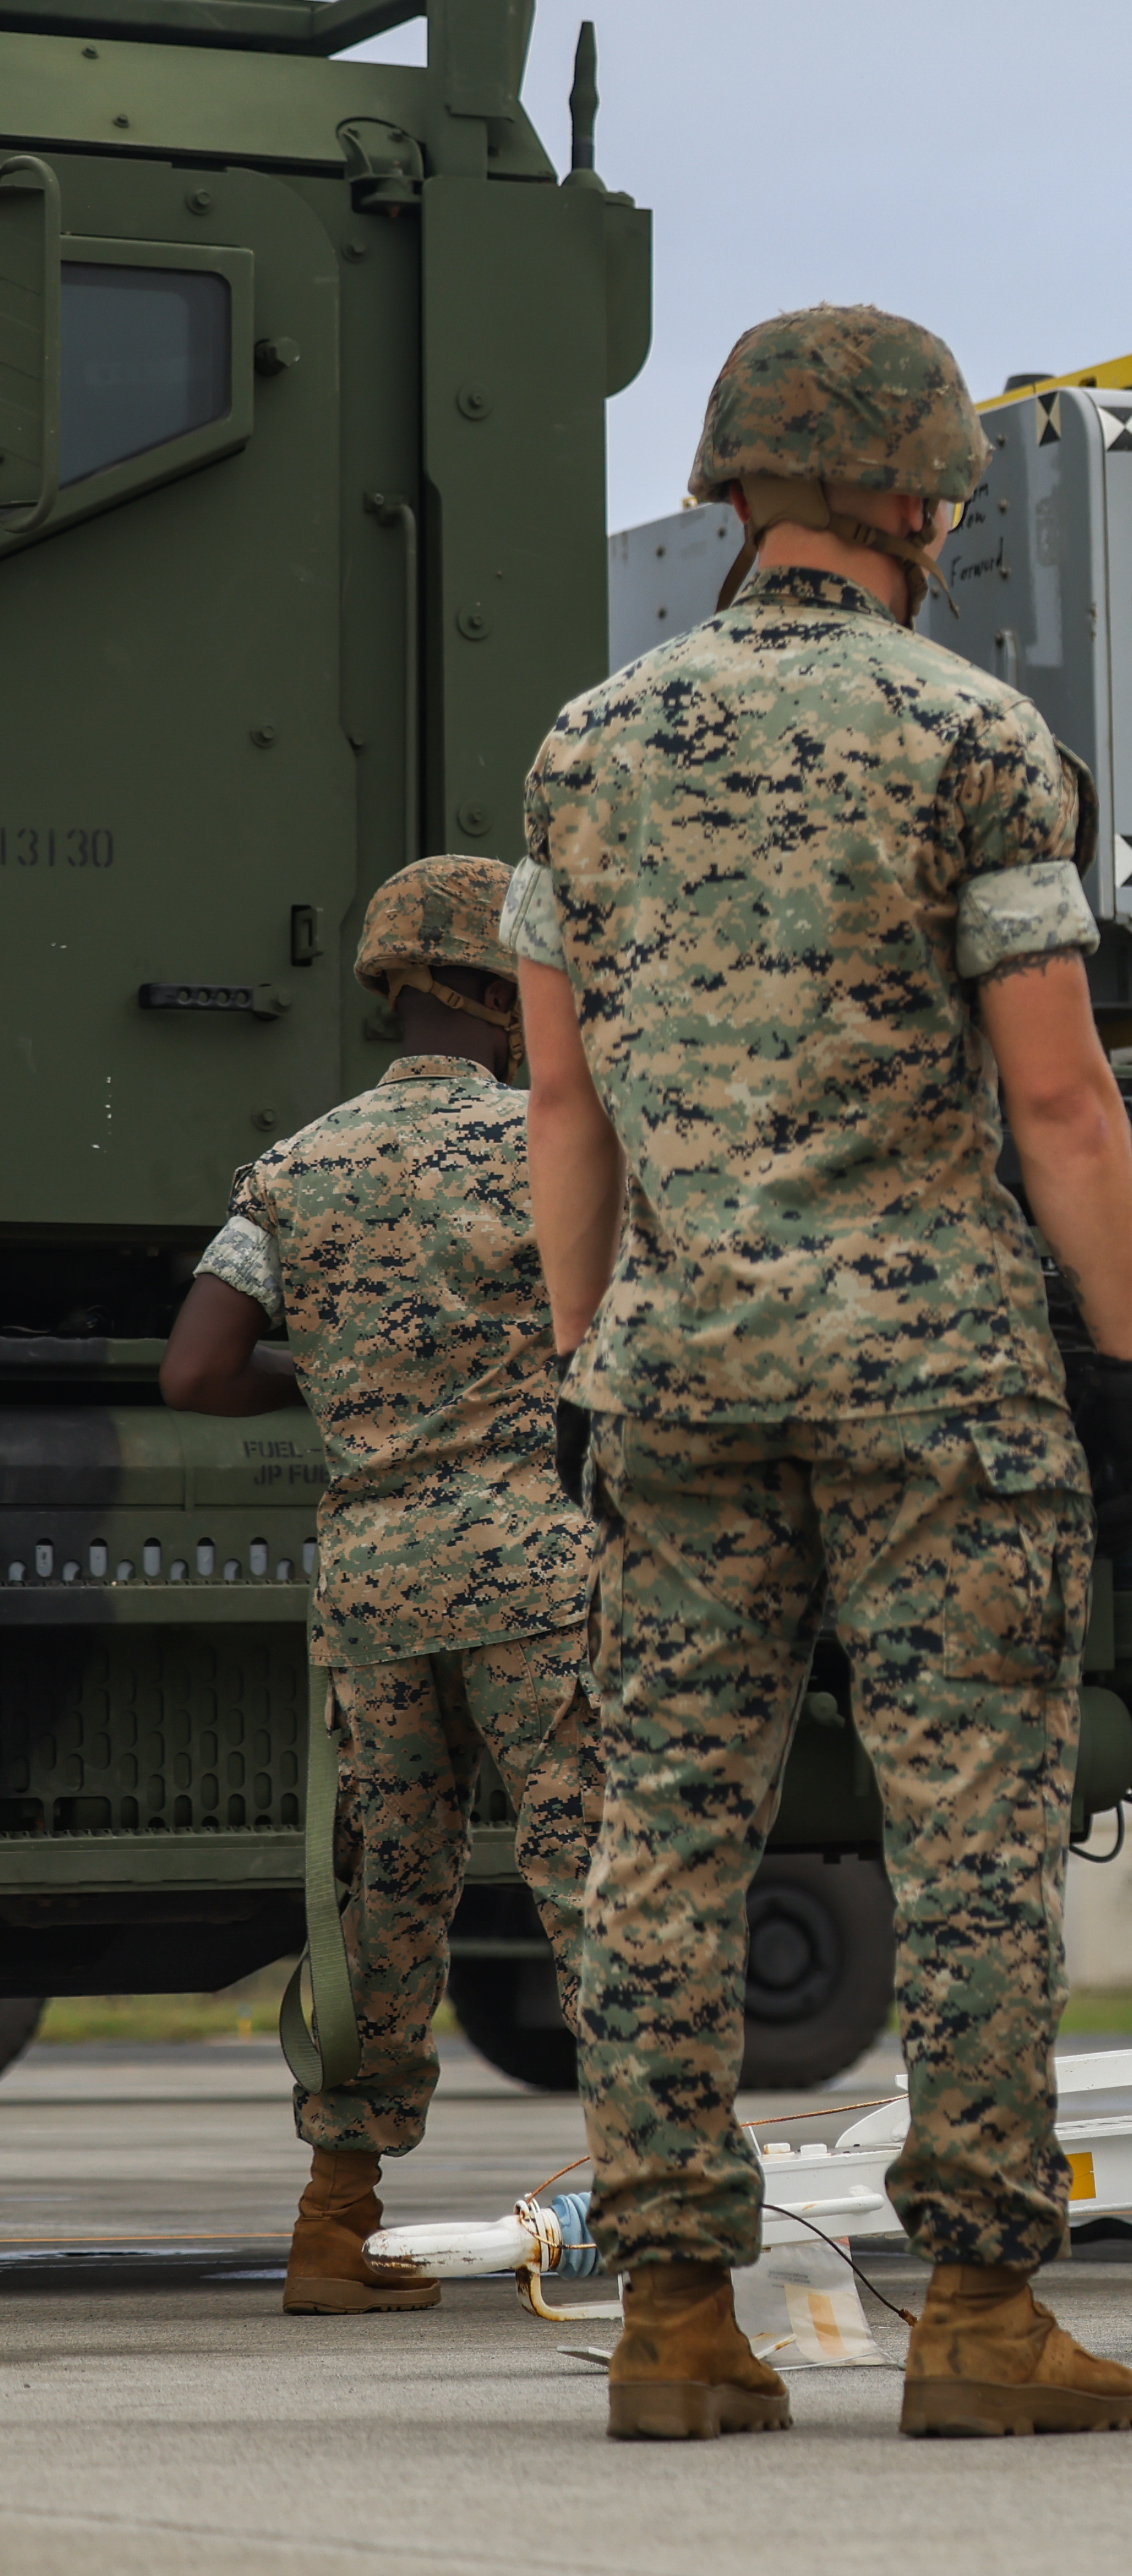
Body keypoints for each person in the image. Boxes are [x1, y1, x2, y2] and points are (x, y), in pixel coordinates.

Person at [510, 304, 1132, 2439]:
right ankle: (981, 2315)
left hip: (678, 1368)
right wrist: (1128, 1365)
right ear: (918, 497)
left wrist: (578, 1357)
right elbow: (1061, 1100)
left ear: (727, 487)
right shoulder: (979, 736)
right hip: (934, 1375)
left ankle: (674, 2316)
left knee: (663, 1841)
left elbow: (563, 1106)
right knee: (967, 1832)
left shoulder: (589, 742)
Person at [160, 857, 600, 2317]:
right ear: (502, 984)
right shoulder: (552, 1137)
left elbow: (197, 1369)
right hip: (539, 1574)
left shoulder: (296, 1166)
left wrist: (343, 1380)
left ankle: (336, 2226)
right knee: (601, 1891)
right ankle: (660, 2205)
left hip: (375, 1595)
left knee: (380, 1911)